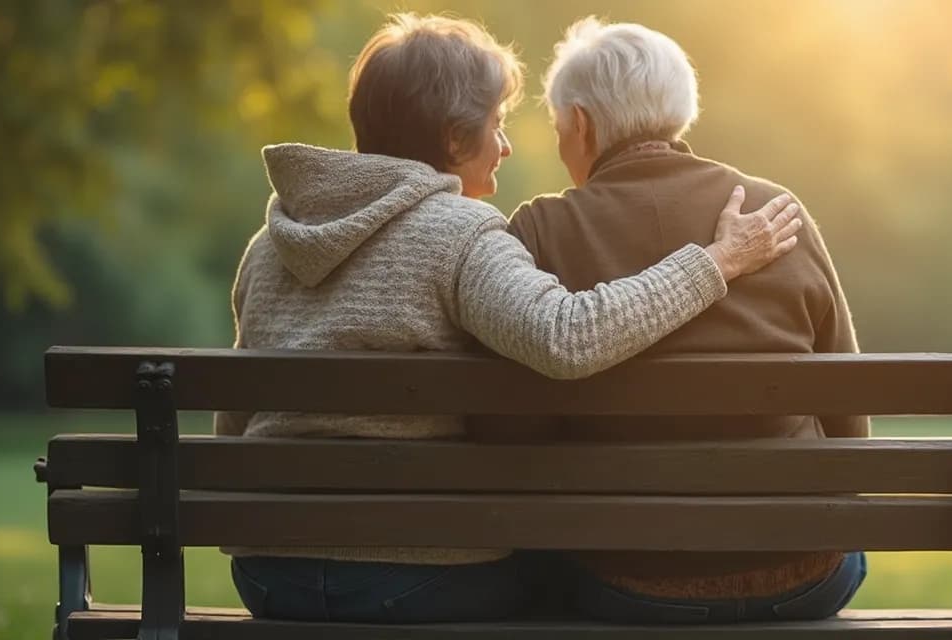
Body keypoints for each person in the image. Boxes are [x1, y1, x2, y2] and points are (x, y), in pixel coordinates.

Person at [215, 13, 805, 624]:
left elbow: (235, 416)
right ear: (451, 138)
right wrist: (715, 262)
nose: (506, 145)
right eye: (496, 125)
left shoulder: (272, 243)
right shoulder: (460, 235)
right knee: (560, 571)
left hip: (266, 574)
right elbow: (565, 336)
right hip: (414, 576)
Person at [496, 17, 868, 624]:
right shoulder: (777, 213)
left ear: (582, 125)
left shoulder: (540, 231)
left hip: (622, 579)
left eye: (560, 128)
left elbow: (510, 430)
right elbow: (848, 411)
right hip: (804, 572)